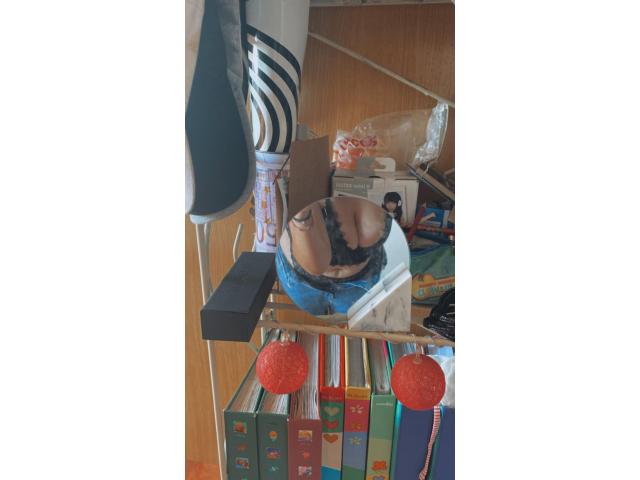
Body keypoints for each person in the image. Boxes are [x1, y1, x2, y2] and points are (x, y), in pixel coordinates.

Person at [276, 197, 392, 318]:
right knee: (308, 321)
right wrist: (302, 219)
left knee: (351, 323)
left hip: (360, 282)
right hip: (301, 281)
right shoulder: (304, 194)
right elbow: (316, 265)